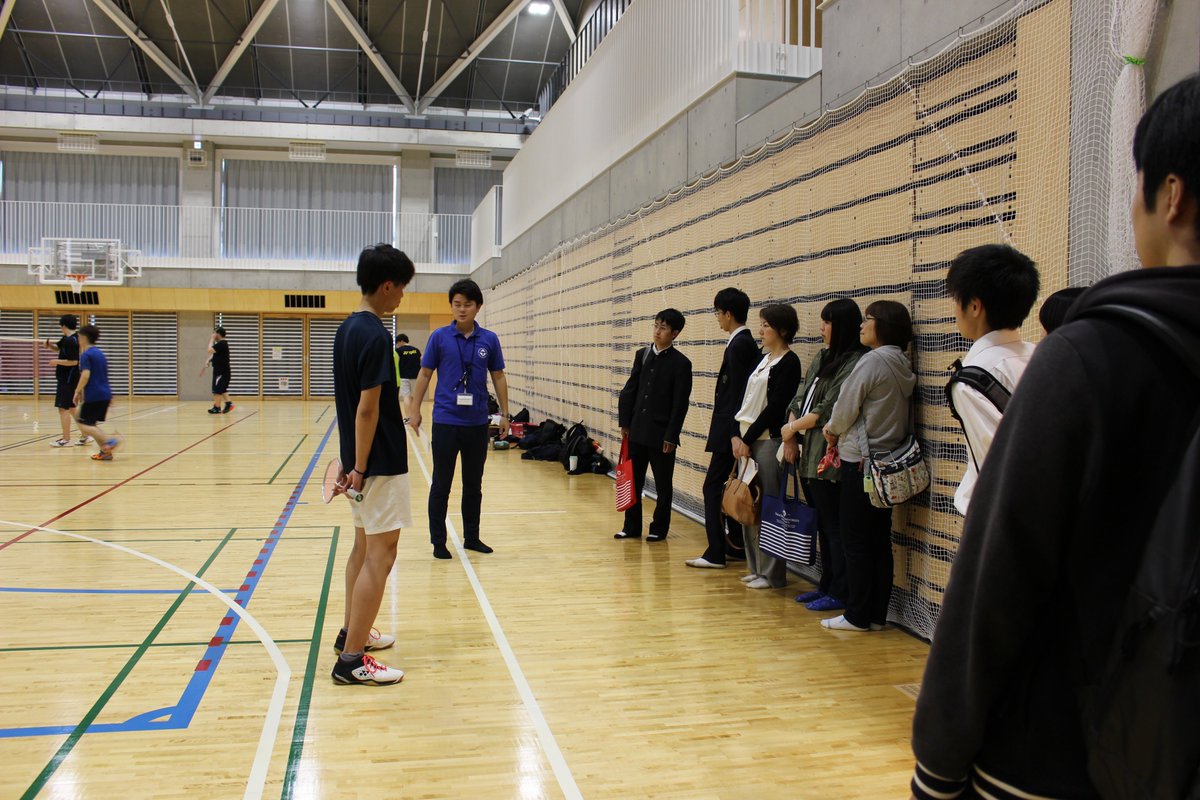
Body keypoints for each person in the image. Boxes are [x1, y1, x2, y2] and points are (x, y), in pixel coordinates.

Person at [909, 74, 1200, 800]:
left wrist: (939, 765)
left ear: (1171, 195)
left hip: (1066, 741)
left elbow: (1000, 569)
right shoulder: (1046, 354)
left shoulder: (1088, 356)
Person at [329, 244, 415, 687]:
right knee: (382, 555)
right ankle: (351, 660)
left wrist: (351, 464)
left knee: (362, 549)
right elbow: (366, 410)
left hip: (360, 462)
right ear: (386, 285)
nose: (402, 297)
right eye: (401, 288)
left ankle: (352, 632)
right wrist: (361, 467)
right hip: (376, 463)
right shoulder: (377, 335)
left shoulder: (346, 329)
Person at [820, 300, 915, 631]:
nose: (862, 324)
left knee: (855, 538)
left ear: (884, 325)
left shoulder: (872, 361)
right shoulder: (900, 362)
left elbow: (845, 409)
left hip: (860, 463)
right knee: (878, 540)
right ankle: (876, 614)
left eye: (868, 319)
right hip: (885, 464)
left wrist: (830, 431)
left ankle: (856, 615)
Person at [409, 279, 509, 560]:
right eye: (457, 304)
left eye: (467, 304)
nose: (462, 309)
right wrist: (415, 410)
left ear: (478, 307)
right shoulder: (439, 337)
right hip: (446, 422)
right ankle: (438, 541)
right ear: (451, 306)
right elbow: (425, 374)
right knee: (441, 483)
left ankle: (472, 537)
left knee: (473, 484)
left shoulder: (489, 340)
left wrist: (504, 413)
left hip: (477, 424)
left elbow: (498, 376)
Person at [782, 299, 868, 611]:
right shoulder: (822, 355)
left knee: (835, 528)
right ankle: (826, 583)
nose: (821, 327)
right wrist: (791, 430)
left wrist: (791, 429)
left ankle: (840, 590)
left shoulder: (857, 360)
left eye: (827, 322)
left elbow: (828, 408)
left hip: (829, 457)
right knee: (820, 523)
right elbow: (801, 394)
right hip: (807, 453)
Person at [945, 244, 1040, 515]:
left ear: (975, 306)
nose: (955, 310)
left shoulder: (971, 379)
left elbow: (998, 468)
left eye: (957, 299)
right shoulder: (1041, 356)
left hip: (1002, 523)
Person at [729, 304, 802, 589]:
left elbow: (774, 410)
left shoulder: (789, 362)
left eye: (766, 326)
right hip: (745, 443)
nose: (761, 331)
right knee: (748, 505)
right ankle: (755, 567)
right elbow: (742, 400)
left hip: (766, 443)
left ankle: (772, 574)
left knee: (769, 506)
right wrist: (736, 435)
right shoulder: (761, 359)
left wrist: (747, 440)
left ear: (782, 330)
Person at [686, 288, 759, 569]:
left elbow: (738, 395)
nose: (717, 318)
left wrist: (733, 434)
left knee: (713, 488)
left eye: (718, 313)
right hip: (729, 431)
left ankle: (716, 552)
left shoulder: (740, 344)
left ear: (728, 314)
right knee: (724, 486)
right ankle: (736, 546)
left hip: (730, 432)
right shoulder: (738, 343)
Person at [614, 308, 693, 542]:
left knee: (663, 486)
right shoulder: (642, 354)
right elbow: (630, 390)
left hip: (662, 436)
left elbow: (680, 404)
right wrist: (625, 422)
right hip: (637, 430)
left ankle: (659, 528)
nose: (657, 331)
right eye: (656, 325)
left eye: (664, 328)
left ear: (675, 333)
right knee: (633, 479)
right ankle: (631, 527)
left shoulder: (681, 364)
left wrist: (671, 436)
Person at [73, 324, 121, 461]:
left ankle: (109, 442)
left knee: (83, 424)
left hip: (94, 394)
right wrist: (109, 396)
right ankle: (106, 453)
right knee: (91, 423)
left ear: (83, 338)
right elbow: (104, 375)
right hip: (104, 394)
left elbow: (86, 375)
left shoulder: (86, 355)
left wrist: (77, 391)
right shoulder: (100, 353)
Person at [41, 313, 86, 447]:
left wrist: (57, 362)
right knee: (72, 409)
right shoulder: (67, 339)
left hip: (68, 379)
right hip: (68, 378)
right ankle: (85, 435)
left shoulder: (71, 341)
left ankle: (66, 439)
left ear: (63, 326)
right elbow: (58, 348)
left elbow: (73, 362)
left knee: (63, 409)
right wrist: (49, 346)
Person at [395, 333, 421, 422]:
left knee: (406, 397)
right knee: (415, 397)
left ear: (401, 341)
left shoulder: (398, 351)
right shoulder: (416, 350)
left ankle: (408, 418)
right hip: (416, 377)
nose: (397, 345)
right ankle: (415, 416)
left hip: (403, 377)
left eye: (398, 342)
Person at [207, 326, 233, 414]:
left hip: (221, 372)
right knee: (221, 389)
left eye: (214, 333)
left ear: (218, 334)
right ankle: (229, 404)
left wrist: (211, 339)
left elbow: (210, 350)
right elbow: (215, 354)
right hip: (220, 371)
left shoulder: (222, 343)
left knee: (217, 391)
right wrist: (209, 360)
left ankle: (217, 408)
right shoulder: (221, 344)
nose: (213, 334)